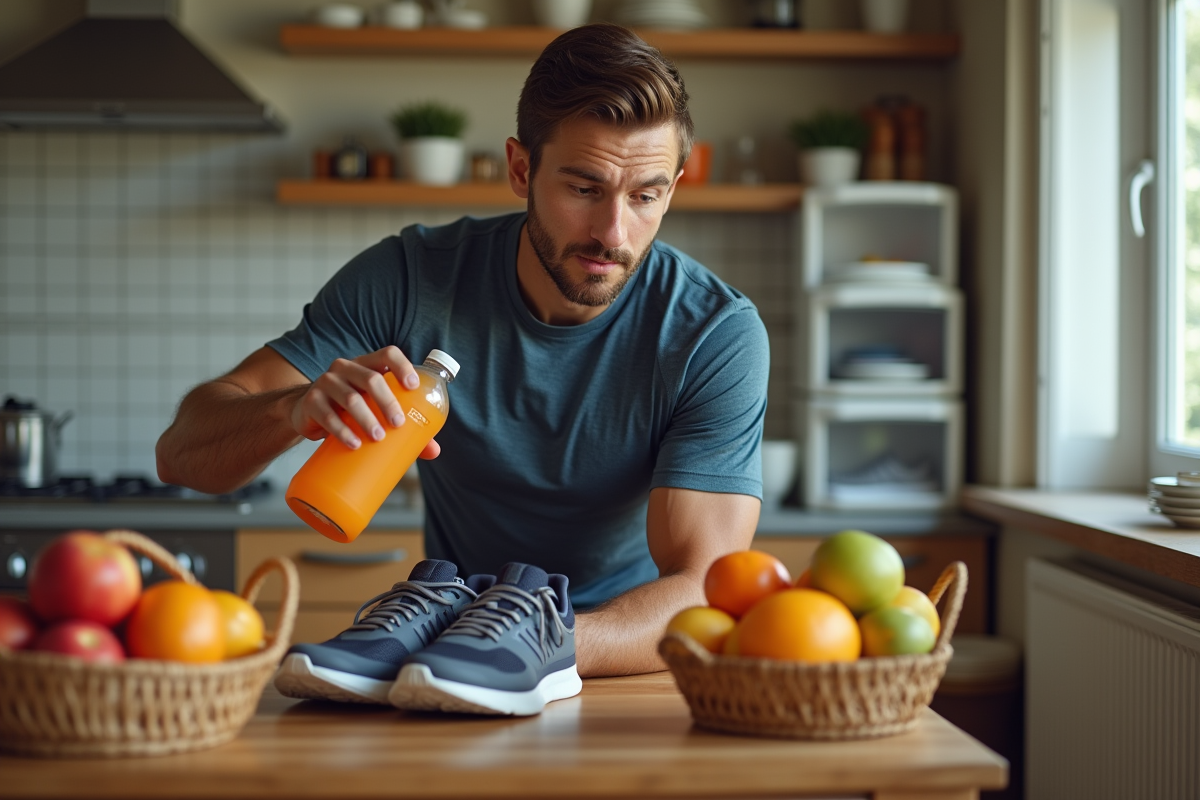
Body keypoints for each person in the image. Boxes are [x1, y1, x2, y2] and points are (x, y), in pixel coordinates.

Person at [156, 23, 769, 682]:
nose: (613, 232)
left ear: (674, 186)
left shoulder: (713, 332)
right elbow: (182, 454)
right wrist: (290, 410)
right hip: (444, 649)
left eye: (646, 195)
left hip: (618, 652)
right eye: (584, 188)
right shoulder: (410, 279)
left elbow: (705, 587)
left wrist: (535, 641)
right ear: (520, 169)